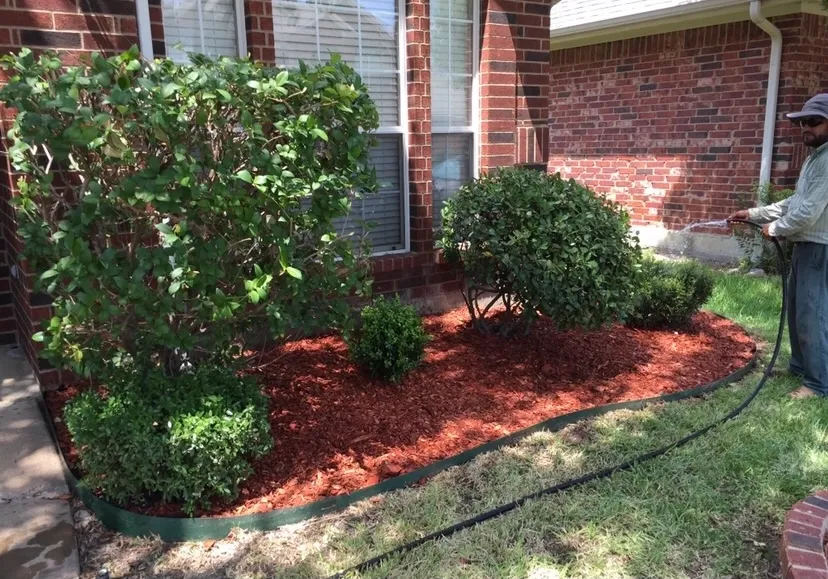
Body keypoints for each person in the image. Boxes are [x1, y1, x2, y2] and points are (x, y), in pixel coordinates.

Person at [729, 93, 828, 399]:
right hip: (805, 245)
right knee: (798, 310)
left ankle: (817, 383)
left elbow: (809, 211)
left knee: (812, 314)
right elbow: (794, 202)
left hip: (819, 248)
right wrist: (755, 214)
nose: (805, 127)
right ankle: (800, 367)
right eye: (802, 122)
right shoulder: (816, 158)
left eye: (814, 121)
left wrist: (776, 229)